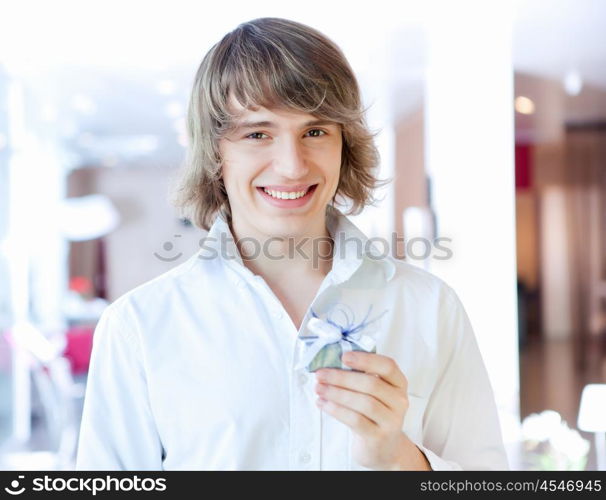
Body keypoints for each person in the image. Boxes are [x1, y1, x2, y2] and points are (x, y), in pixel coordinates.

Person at [75, 17, 509, 471]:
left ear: (345, 145)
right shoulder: (138, 328)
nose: (291, 166)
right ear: (215, 152)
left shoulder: (429, 307)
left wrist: (399, 458)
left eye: (315, 131)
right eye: (257, 133)